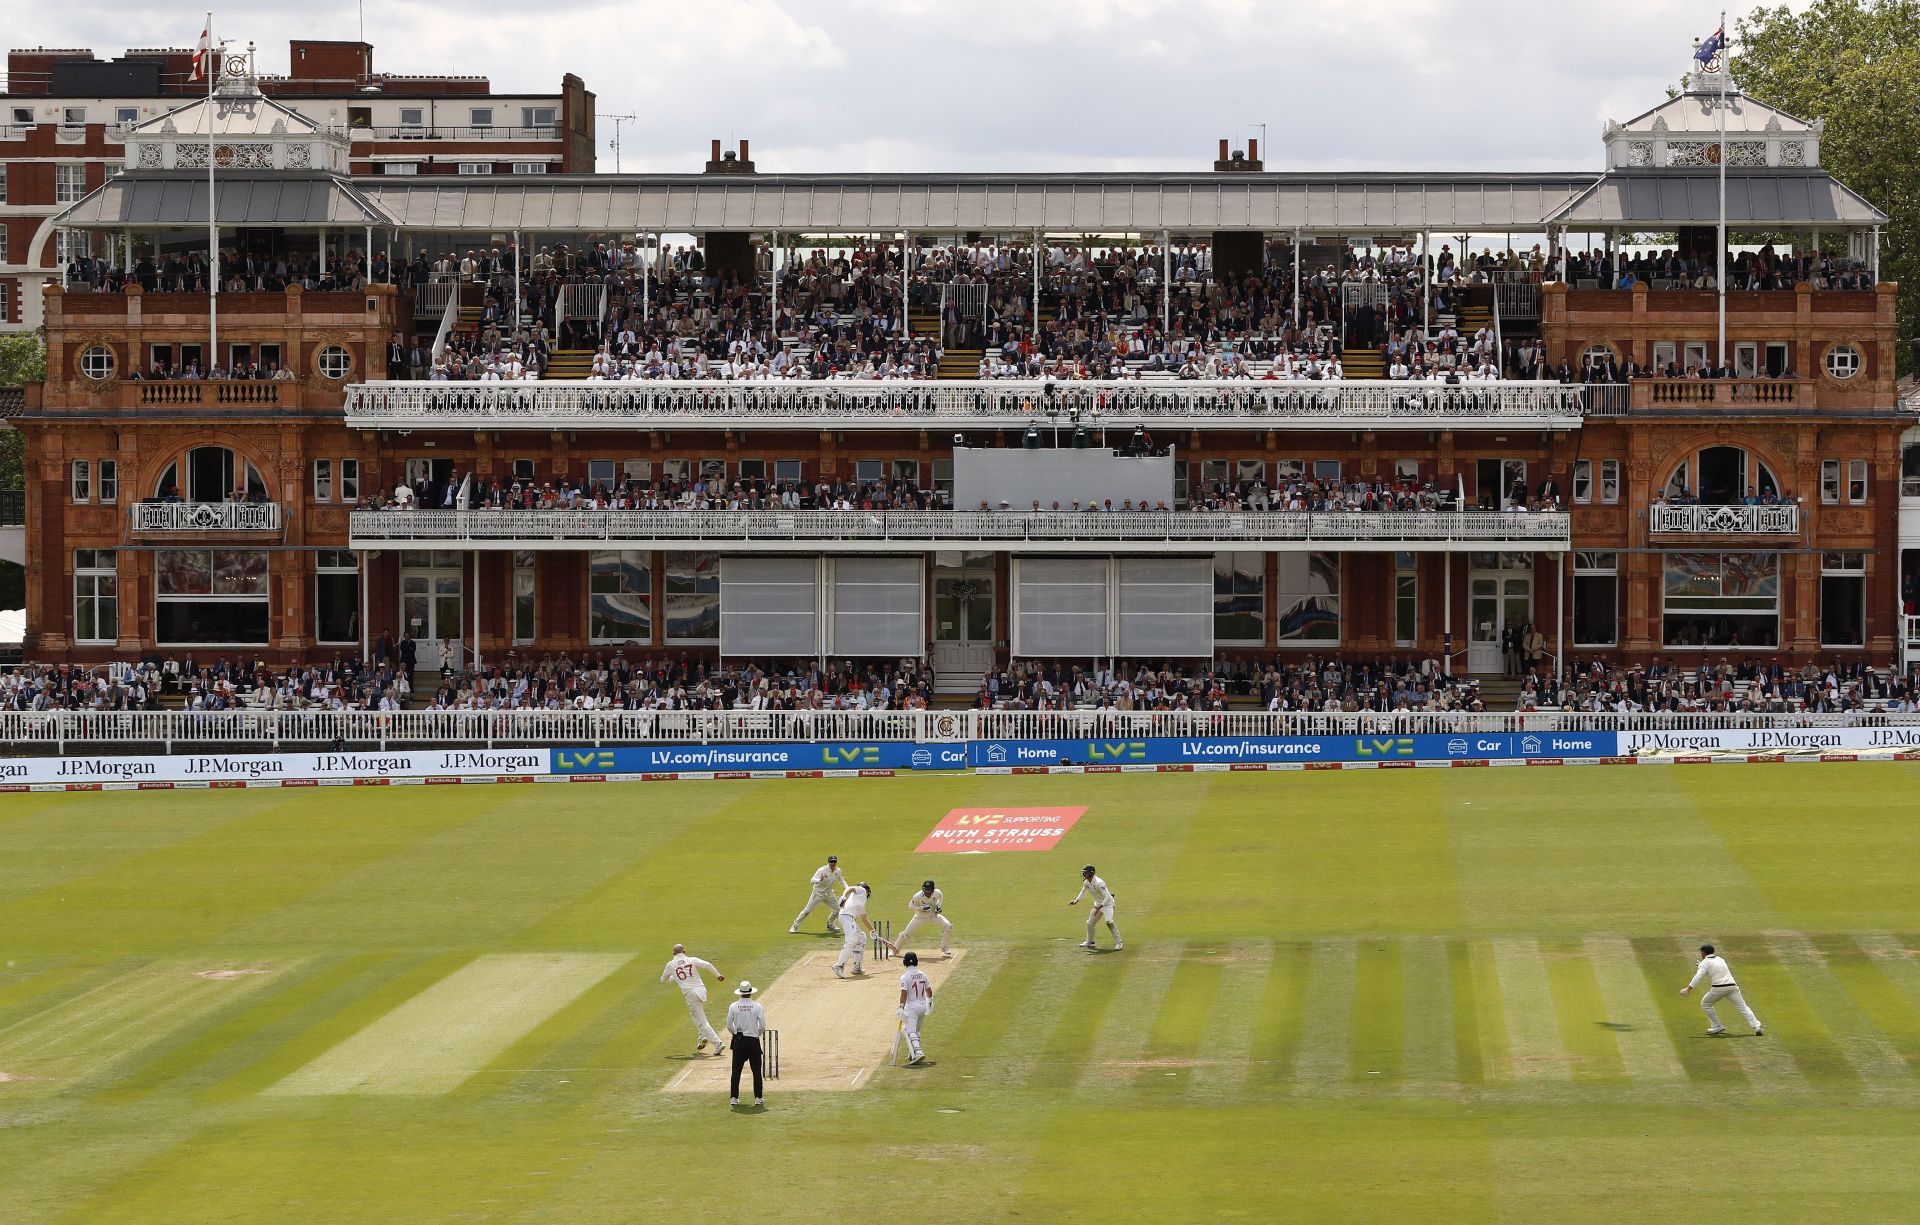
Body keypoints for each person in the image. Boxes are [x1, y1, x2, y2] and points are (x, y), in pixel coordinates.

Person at [1680, 943, 1763, 1036]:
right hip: (1732, 987)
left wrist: (1688, 989)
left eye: (1701, 952)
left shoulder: (1705, 963)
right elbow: (1716, 970)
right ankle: (1757, 1027)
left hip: (1719, 988)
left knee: (1705, 1003)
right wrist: (1701, 965)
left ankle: (1717, 1026)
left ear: (1703, 952)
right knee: (1744, 1008)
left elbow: (1699, 975)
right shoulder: (1720, 959)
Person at [659, 943, 727, 1055]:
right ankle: (702, 1036)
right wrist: (718, 975)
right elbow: (708, 965)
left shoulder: (670, 964)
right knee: (695, 1014)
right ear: (684, 952)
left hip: (690, 993)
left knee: (702, 1022)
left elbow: (663, 980)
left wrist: (674, 977)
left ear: (673, 954)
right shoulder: (692, 959)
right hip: (701, 989)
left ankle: (718, 1043)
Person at [725, 981, 767, 1107]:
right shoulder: (757, 1006)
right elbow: (763, 1025)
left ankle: (734, 1098)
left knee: (736, 1071)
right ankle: (758, 1098)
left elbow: (728, 1025)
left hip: (739, 1040)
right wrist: (756, 1034)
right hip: (753, 1041)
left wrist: (735, 1034)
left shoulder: (733, 1006)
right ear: (750, 993)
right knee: (756, 1071)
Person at [1069, 864, 1122, 951]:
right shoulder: (1086, 882)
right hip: (1098, 904)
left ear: (1091, 874)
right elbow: (1083, 892)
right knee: (1090, 923)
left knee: (1109, 922)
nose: (1084, 874)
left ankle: (1119, 943)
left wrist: (1101, 906)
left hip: (1108, 904)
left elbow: (1108, 896)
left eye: (1085, 873)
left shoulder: (1099, 883)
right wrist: (1076, 900)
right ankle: (1090, 941)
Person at [791, 855, 849, 934]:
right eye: (831, 862)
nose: (833, 863)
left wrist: (847, 888)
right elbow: (812, 881)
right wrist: (819, 880)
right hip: (818, 894)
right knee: (807, 911)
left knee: (838, 910)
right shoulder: (822, 870)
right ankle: (795, 925)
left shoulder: (838, 871)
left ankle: (830, 924)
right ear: (828, 862)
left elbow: (842, 881)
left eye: (834, 862)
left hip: (829, 894)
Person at [897, 879, 953, 957]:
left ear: (933, 890)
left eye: (929, 891)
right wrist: (920, 908)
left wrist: (939, 906)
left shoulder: (937, 893)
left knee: (948, 926)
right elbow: (910, 905)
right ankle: (895, 950)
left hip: (934, 916)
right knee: (905, 935)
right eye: (925, 890)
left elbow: (940, 897)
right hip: (920, 917)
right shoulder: (917, 896)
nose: (927, 893)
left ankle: (945, 948)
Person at [897, 950, 934, 1065]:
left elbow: (904, 994)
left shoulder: (904, 977)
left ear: (904, 963)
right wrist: (929, 1004)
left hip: (912, 1007)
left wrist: (901, 1006)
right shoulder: (923, 975)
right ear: (917, 962)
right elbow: (929, 991)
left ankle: (918, 1052)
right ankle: (912, 1051)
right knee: (916, 1030)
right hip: (922, 1006)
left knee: (908, 1030)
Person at [832, 882, 876, 978]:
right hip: (847, 916)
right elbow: (850, 888)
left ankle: (857, 967)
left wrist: (873, 931)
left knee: (861, 938)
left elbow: (864, 919)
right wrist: (843, 896)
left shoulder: (859, 902)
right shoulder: (862, 890)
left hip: (848, 917)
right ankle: (839, 965)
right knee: (852, 940)